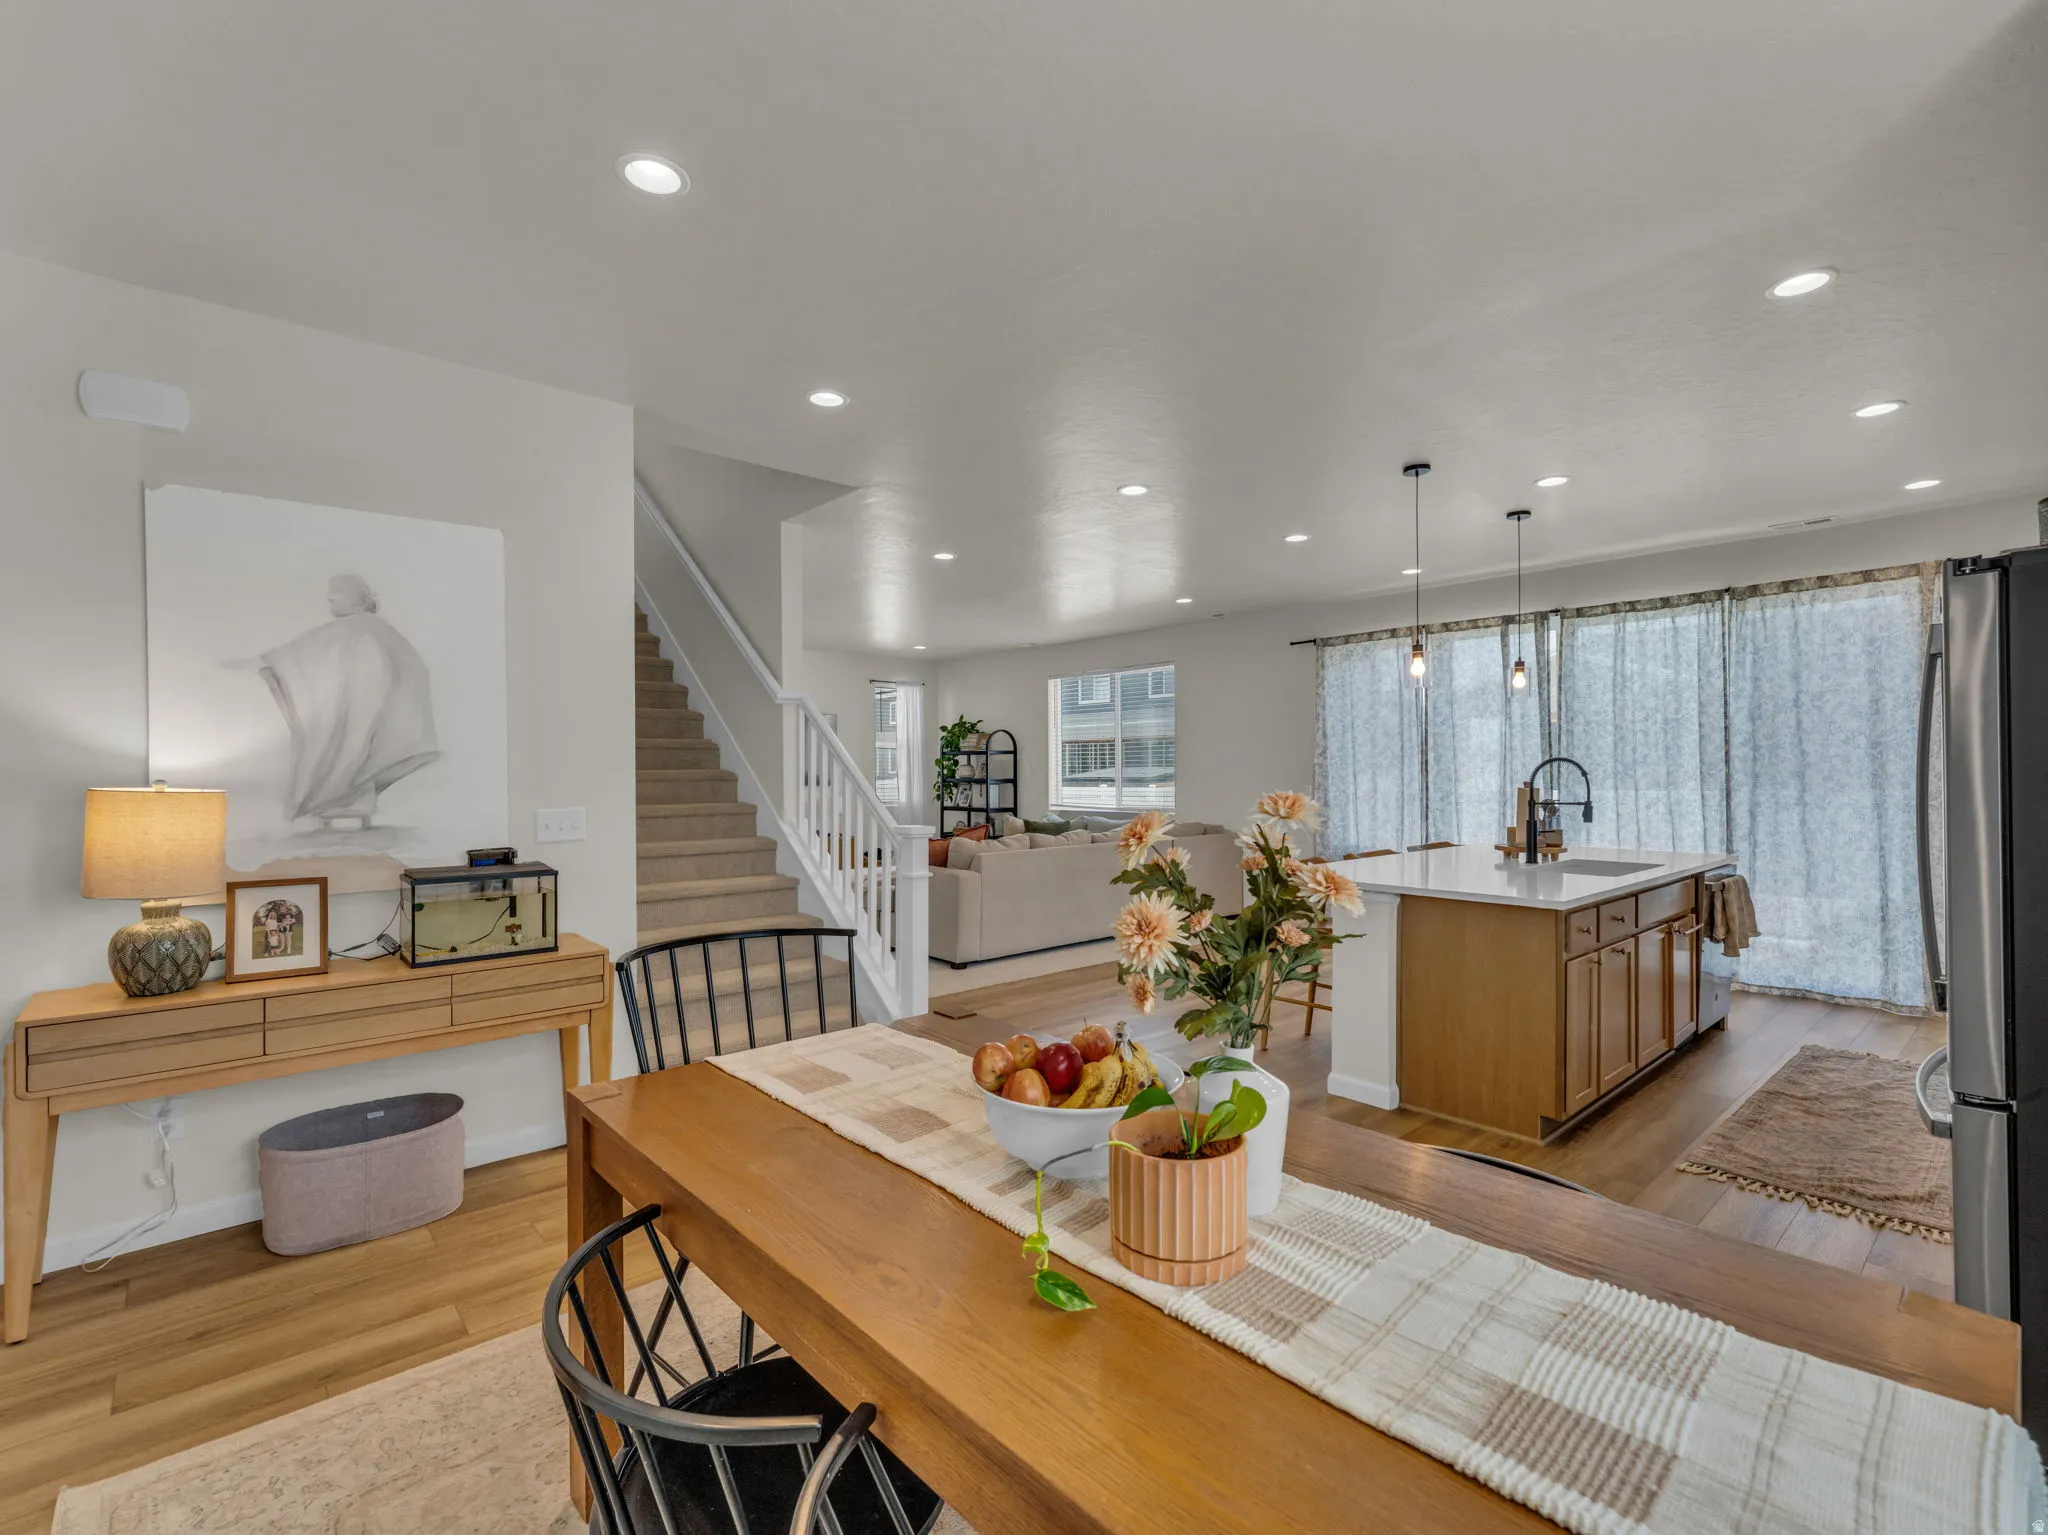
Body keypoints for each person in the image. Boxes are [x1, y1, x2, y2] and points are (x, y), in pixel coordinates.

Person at [257, 574, 439, 829]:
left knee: (347, 750)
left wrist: (270, 663)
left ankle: (342, 797)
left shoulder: (356, 628)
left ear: (353, 599)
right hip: (361, 705)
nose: (331, 603)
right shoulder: (375, 629)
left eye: (335, 598)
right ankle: (346, 799)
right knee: (352, 751)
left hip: (361, 706)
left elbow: (301, 651)